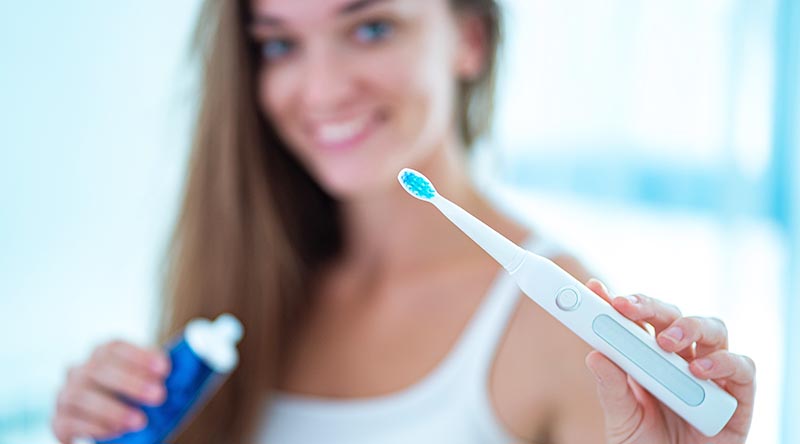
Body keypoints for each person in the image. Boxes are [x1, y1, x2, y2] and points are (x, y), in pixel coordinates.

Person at [51, 0, 756, 443]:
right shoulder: (244, 281)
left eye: (371, 28)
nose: (322, 89)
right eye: (279, 44)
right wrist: (103, 427)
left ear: (469, 39)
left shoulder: (563, 331)